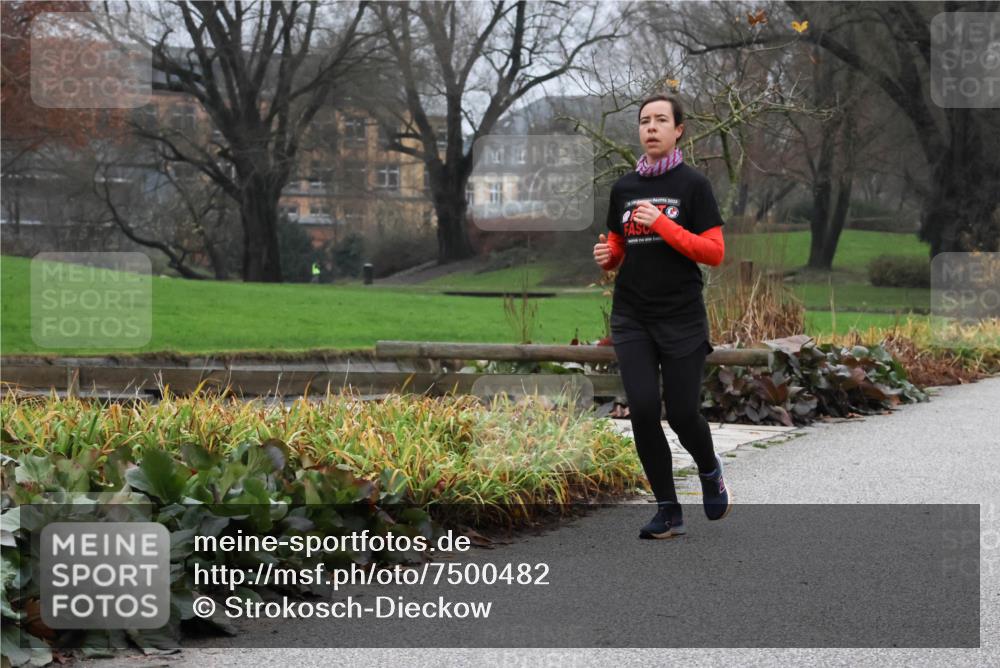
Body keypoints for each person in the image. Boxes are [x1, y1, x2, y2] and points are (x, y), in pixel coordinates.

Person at [593, 93, 732, 539]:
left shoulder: (693, 185)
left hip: (681, 316)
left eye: (660, 120)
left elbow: (714, 253)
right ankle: (668, 511)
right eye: (644, 121)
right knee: (643, 411)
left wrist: (664, 224)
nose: (650, 127)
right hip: (632, 315)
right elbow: (619, 246)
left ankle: (709, 469)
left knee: (683, 413)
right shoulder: (623, 189)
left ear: (678, 130)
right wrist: (607, 256)